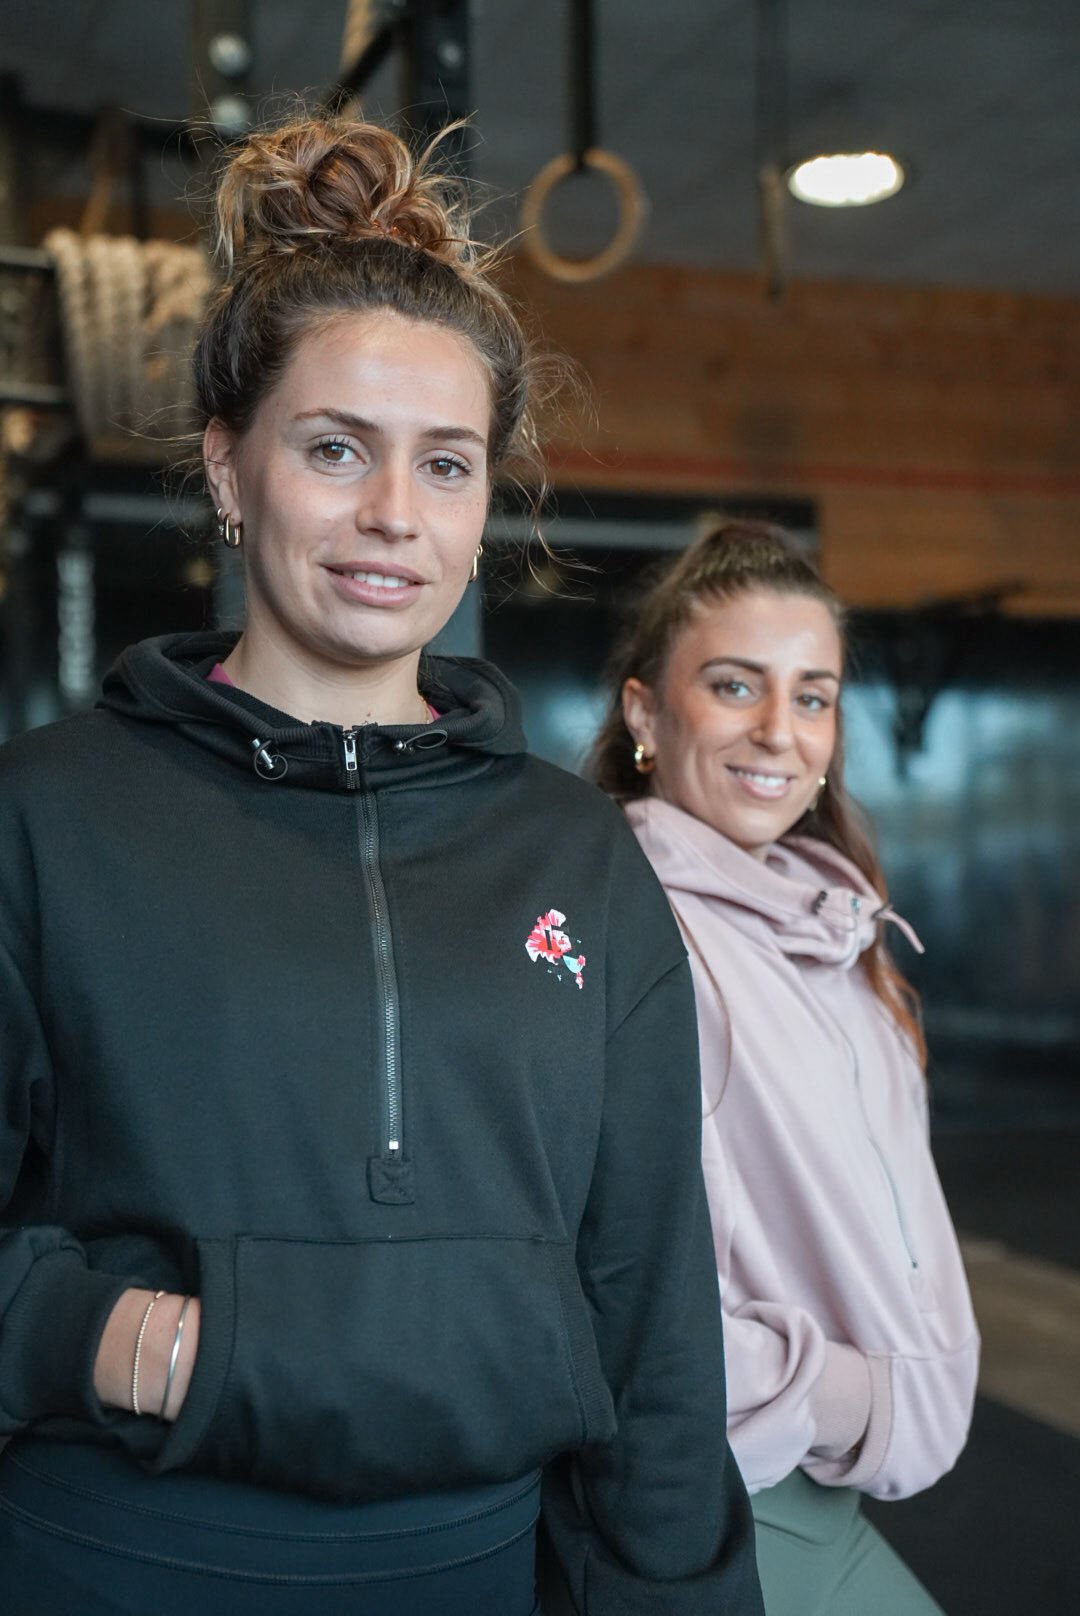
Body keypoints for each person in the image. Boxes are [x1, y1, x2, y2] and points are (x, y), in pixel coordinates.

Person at [0, 119, 763, 1615]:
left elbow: (652, 1311)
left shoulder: (577, 856)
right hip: (119, 1557)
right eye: (335, 448)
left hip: (470, 1566)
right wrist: (139, 1344)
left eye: (447, 464)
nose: (393, 516)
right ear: (228, 467)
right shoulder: (43, 818)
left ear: (485, 506)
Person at [589, 521, 980, 1616]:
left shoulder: (831, 923)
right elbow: (595, 1271)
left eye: (813, 696)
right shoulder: (637, 934)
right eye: (734, 685)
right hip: (736, 1494)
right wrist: (840, 1393)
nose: (778, 730)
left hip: (828, 1496)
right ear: (644, 716)